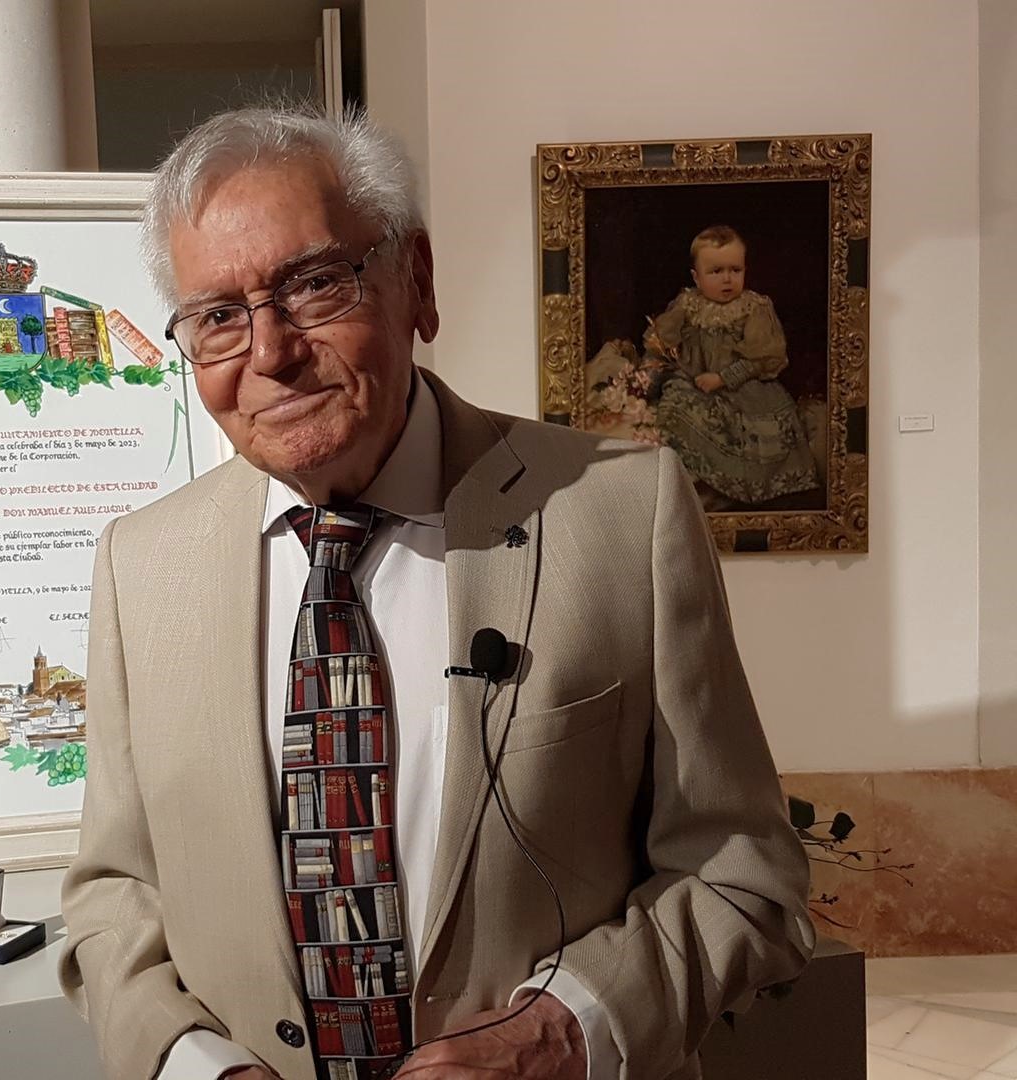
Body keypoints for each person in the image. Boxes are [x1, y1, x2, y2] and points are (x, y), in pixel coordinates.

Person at [58, 106, 813, 1080]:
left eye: (314, 284)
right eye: (218, 317)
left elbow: (744, 871)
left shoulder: (624, 516)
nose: (270, 352)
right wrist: (197, 1066)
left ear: (415, 279)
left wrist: (565, 1033)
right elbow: (112, 895)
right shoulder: (141, 566)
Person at [645, 225, 820, 509]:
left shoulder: (753, 307)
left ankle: (734, 486)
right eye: (716, 271)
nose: (727, 279)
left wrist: (723, 378)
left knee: (748, 429)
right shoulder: (688, 304)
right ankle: (686, 482)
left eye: (735, 270)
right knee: (674, 404)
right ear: (697, 277)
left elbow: (763, 359)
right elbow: (662, 339)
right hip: (696, 381)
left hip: (743, 388)